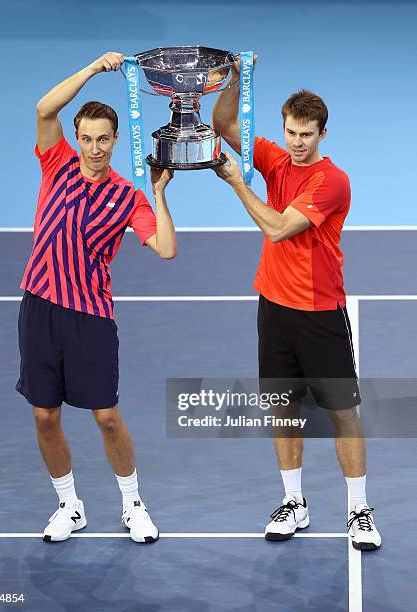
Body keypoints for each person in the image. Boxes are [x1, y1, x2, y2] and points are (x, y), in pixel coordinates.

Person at [211, 60, 381, 551]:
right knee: (282, 407)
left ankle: (359, 510)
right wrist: (236, 78)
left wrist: (238, 184)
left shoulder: (332, 182)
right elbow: (224, 124)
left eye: (306, 134)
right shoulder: (276, 158)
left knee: (342, 411)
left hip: (319, 311)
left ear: (323, 133)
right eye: (290, 132)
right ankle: (294, 502)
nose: (296, 142)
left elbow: (279, 228)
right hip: (274, 306)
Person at [16, 51, 177, 544]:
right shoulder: (56, 164)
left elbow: (166, 249)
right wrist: (89, 70)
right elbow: (46, 109)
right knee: (45, 415)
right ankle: (70, 505)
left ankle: (133, 504)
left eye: (102, 139)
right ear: (77, 139)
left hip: (91, 316)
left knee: (107, 418)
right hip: (40, 307)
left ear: (114, 140)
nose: (93, 148)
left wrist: (160, 192)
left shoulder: (129, 197)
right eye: (85, 138)